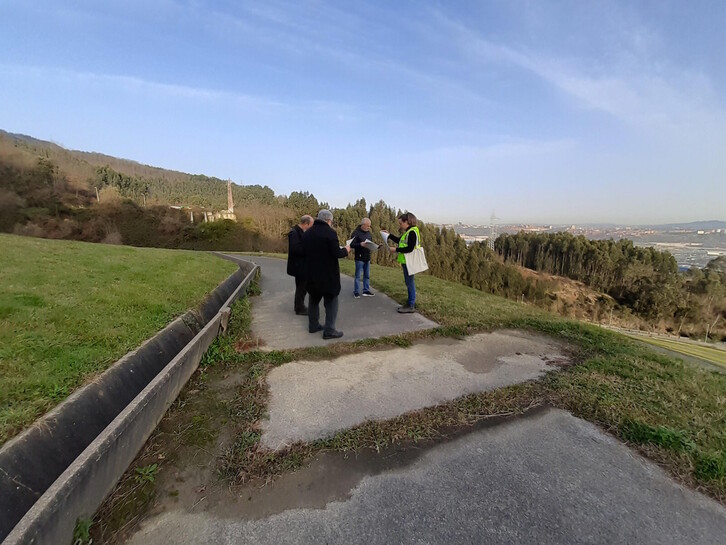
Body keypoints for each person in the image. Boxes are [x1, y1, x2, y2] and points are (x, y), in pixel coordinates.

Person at [302, 209, 350, 339]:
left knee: (313, 300)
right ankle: (329, 330)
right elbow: (336, 253)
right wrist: (346, 250)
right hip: (328, 274)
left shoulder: (307, 233)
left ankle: (313, 325)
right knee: (331, 302)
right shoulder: (330, 233)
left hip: (311, 274)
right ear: (329, 220)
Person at [382, 212, 420, 313]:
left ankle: (411, 305)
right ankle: (410, 303)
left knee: (410, 283)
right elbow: (400, 240)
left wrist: (396, 250)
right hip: (406, 261)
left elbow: (410, 248)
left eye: (401, 223)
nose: (400, 225)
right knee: (409, 282)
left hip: (409, 261)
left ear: (406, 222)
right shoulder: (409, 231)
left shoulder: (412, 232)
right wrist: (389, 235)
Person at [287, 215, 313, 315]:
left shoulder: (300, 232)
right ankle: (299, 308)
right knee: (301, 287)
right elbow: (295, 249)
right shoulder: (294, 233)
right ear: (306, 224)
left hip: (302, 265)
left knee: (302, 287)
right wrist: (309, 248)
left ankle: (299, 306)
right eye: (311, 225)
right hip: (299, 266)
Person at [349, 217, 375, 298]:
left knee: (367, 275)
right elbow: (351, 244)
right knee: (358, 276)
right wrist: (360, 244)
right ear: (363, 225)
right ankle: (356, 291)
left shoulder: (369, 233)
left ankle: (366, 290)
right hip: (359, 257)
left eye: (369, 226)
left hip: (367, 256)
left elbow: (370, 242)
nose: (368, 227)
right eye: (367, 226)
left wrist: (374, 246)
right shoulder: (356, 233)